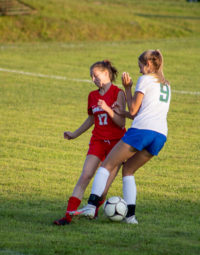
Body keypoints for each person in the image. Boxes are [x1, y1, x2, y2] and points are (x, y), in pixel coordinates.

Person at [70, 49, 171, 224]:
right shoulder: (166, 84)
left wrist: (128, 88)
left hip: (141, 131)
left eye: (140, 66)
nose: (139, 70)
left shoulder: (145, 79)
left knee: (107, 164)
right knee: (128, 170)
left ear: (148, 65)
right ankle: (131, 217)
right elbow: (136, 112)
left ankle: (91, 206)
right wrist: (122, 112)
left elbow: (133, 110)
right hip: (160, 135)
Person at [54, 60, 126, 225]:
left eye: (96, 75)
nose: (93, 79)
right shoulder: (92, 96)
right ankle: (68, 216)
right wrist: (74, 134)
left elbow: (121, 123)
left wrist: (108, 108)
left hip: (117, 144)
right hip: (98, 141)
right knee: (85, 175)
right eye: (91, 76)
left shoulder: (118, 93)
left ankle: (93, 211)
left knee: (102, 189)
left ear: (106, 74)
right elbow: (91, 119)